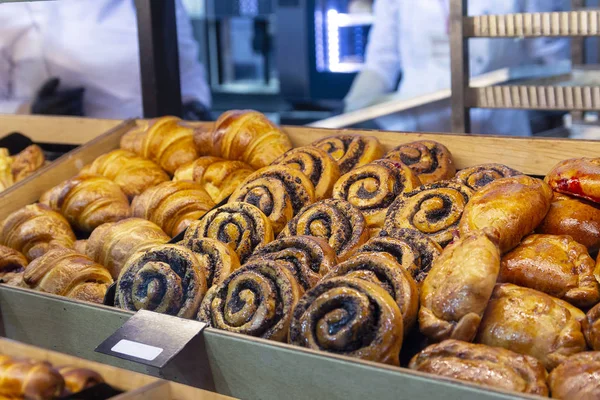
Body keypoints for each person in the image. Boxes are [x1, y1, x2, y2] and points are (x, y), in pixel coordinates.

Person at [344, 0, 570, 136]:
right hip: (413, 128)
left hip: (497, 130)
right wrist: (353, 107)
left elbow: (550, 55)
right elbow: (381, 60)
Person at [0, 0, 211, 120]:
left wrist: (194, 106)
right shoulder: (14, 9)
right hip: (58, 155)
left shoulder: (158, 5)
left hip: (153, 147)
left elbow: (187, 71)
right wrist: (30, 112)